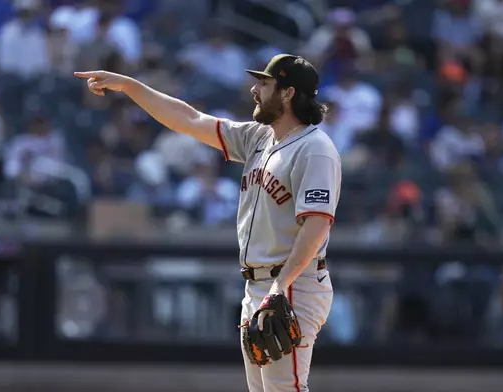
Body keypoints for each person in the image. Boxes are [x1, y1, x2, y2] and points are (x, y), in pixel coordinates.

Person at [75, 53, 341, 392]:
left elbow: (317, 226)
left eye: (264, 82)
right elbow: (188, 118)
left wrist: (279, 288)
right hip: (261, 284)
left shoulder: (315, 148)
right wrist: (129, 86)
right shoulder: (259, 138)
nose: (254, 89)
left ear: (288, 93)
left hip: (291, 283)